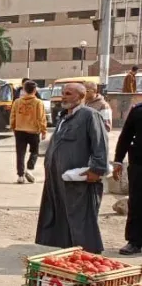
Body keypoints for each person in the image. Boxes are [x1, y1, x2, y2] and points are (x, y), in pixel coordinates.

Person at [36, 83, 108, 254]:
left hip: (79, 178)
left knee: (81, 216)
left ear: (81, 96)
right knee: (61, 214)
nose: (64, 96)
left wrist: (97, 169)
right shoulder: (64, 117)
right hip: (58, 178)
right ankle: (68, 252)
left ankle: (88, 255)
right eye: (63, 93)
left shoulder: (90, 115)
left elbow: (100, 144)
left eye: (68, 93)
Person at [115, 103, 142, 254]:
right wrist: (118, 160)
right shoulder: (138, 110)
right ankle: (134, 241)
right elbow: (126, 135)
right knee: (136, 203)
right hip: (139, 165)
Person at [10, 80, 48, 184]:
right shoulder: (38, 102)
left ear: (24, 90)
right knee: (34, 152)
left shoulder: (17, 102)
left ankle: (20, 176)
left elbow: (13, 116)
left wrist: (13, 127)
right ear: (35, 90)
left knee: (20, 153)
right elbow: (41, 118)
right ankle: (30, 169)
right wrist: (44, 130)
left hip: (19, 131)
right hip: (33, 131)